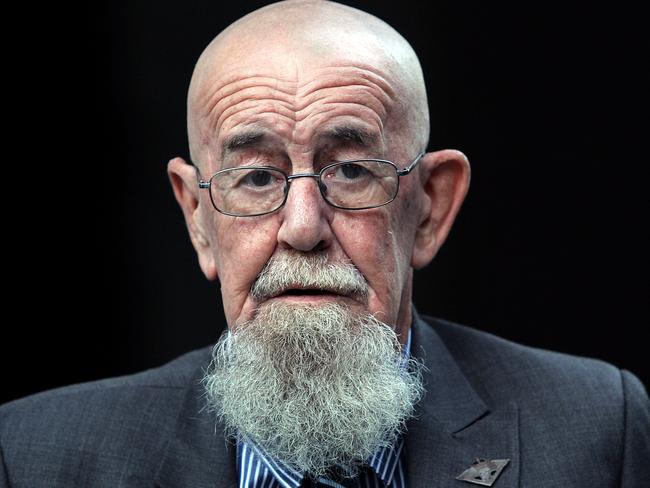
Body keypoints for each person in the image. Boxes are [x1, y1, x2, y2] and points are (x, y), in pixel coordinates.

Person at [1, 1, 648, 487]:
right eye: (256, 178)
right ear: (198, 218)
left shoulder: (598, 429)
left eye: (351, 170)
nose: (303, 227)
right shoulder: (35, 454)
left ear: (430, 207)